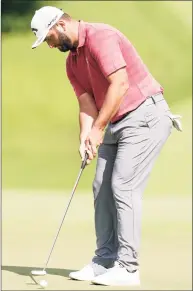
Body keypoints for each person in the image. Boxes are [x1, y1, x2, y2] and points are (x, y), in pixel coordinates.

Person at [31, 6, 182, 286]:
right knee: (101, 186)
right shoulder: (72, 63)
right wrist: (85, 136)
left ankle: (128, 268)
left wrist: (98, 128)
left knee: (123, 185)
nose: (50, 45)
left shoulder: (102, 36)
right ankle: (104, 261)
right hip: (113, 119)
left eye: (49, 38)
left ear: (61, 24)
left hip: (144, 116)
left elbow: (120, 84)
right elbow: (87, 102)